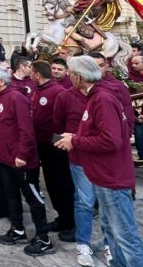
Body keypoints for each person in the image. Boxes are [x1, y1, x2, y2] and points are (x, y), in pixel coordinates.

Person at [56, 56, 143, 267]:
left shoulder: (102, 99)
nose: (69, 77)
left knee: (125, 234)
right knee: (112, 230)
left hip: (112, 177)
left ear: (78, 77)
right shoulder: (96, 96)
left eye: (70, 73)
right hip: (103, 175)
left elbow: (111, 140)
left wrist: (75, 140)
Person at [0, 65, 53, 256]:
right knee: (11, 194)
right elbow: (1, 126)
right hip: (5, 157)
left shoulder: (16, 97)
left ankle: (44, 238)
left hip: (21, 160)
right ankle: (18, 229)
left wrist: (22, 154)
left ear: (1, 81)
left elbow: (26, 130)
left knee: (33, 197)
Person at [52, 64, 109, 266]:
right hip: (79, 159)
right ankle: (83, 243)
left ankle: (109, 243)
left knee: (107, 203)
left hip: (103, 159)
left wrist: (76, 139)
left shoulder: (105, 96)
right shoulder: (65, 96)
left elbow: (112, 135)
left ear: (78, 76)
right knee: (84, 202)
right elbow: (57, 124)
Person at [30, 61, 75, 243]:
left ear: (38, 74)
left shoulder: (57, 92)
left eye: (32, 72)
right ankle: (61, 218)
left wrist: (57, 144)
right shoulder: (38, 90)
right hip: (43, 146)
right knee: (52, 185)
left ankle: (71, 223)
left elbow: (63, 121)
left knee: (63, 185)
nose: (30, 75)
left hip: (55, 147)